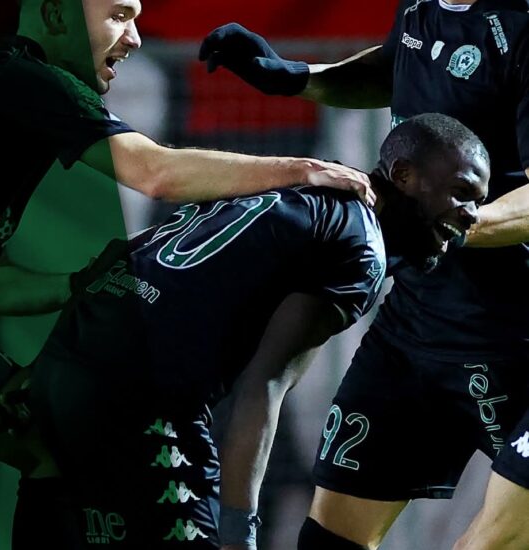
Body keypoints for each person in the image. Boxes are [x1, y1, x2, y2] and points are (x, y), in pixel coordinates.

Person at [0, 0, 377, 527]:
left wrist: (77, 284)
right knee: (50, 440)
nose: (134, 38)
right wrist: (301, 170)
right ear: (57, 16)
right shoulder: (32, 80)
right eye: (118, 16)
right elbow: (155, 173)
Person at [8, 114, 488, 550]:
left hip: (62, 368)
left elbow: (131, 255)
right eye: (462, 192)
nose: (471, 215)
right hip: (141, 399)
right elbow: (266, 385)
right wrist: (240, 533)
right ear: (402, 175)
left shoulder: (284, 183)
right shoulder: (360, 247)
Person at [199, 1, 529, 548]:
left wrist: (454, 224)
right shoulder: (422, 6)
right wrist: (300, 78)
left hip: (514, 336)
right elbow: (397, 66)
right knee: (328, 541)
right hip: (415, 327)